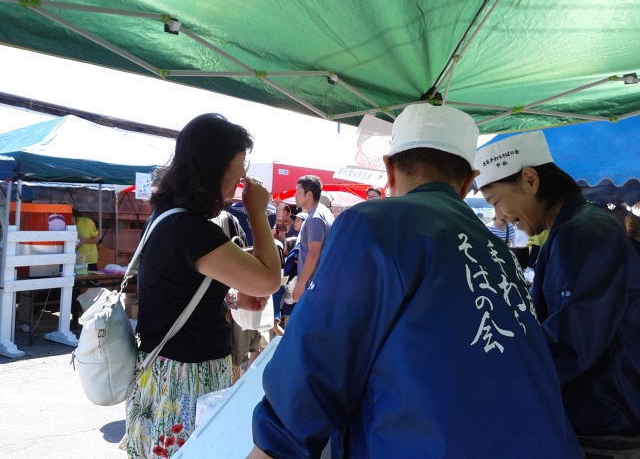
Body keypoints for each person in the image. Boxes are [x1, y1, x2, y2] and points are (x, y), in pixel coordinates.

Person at [249, 104, 581, 458]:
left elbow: (311, 375)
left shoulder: (373, 224)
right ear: (468, 180)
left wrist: (272, 444)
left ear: (389, 169)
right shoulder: (495, 251)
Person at [475, 130, 640, 458]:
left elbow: (574, 340)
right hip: (602, 410)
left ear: (530, 179)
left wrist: (503, 383)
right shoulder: (572, 229)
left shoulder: (583, 233)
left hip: (606, 419)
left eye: (497, 202)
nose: (501, 217)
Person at [125, 113, 281, 459]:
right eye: (238, 168)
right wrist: (258, 212)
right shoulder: (191, 230)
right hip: (186, 378)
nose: (242, 177)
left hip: (163, 372)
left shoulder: (168, 217)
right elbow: (269, 280)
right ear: (214, 166)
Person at [292, 175, 334, 302]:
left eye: (298, 192)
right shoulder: (323, 211)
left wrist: (301, 283)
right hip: (318, 281)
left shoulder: (315, 217)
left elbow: (314, 253)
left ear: (309, 195)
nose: (295, 196)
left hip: (313, 284)